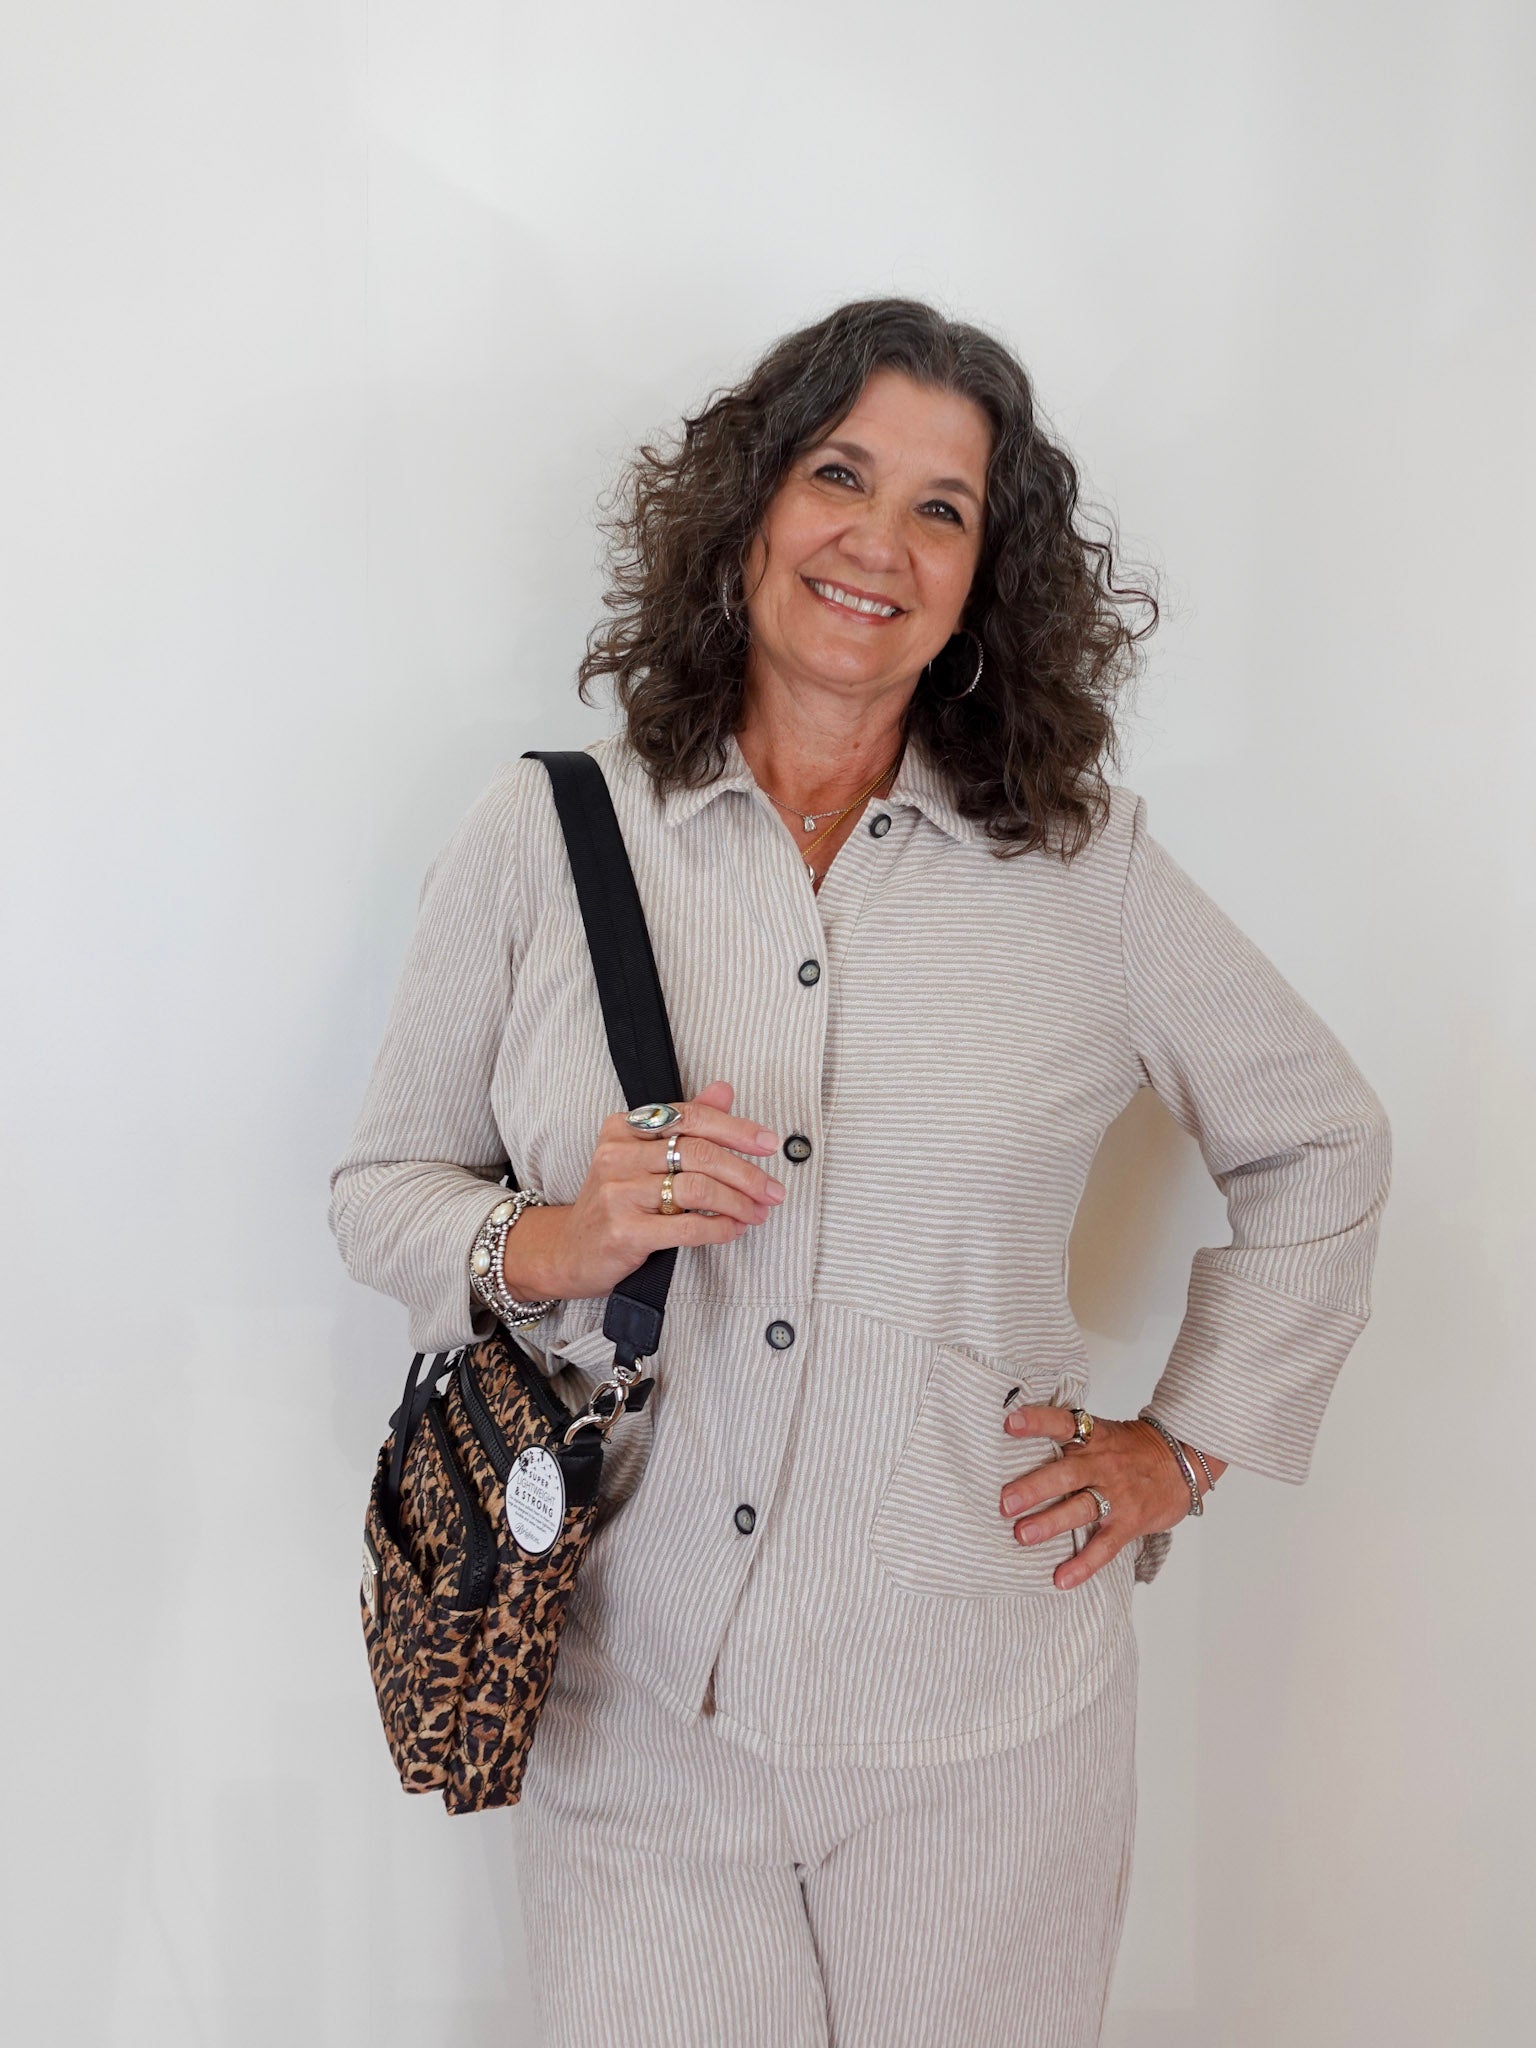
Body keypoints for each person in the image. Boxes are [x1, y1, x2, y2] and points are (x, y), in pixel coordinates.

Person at [328, 297, 1391, 2047]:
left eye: (943, 509)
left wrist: (1184, 1444)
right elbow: (384, 1183)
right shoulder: (545, 835)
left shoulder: (1085, 872)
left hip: (986, 1729)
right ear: (751, 508)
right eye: (841, 474)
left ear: (986, 583)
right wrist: (558, 1237)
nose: (877, 543)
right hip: (635, 1710)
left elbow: (1324, 1145)